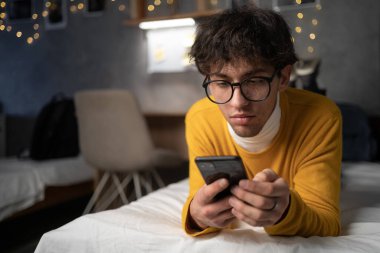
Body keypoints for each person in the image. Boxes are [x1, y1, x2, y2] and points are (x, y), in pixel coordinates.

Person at [181, 5, 342, 237]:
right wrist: (197, 216)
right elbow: (197, 201)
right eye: (222, 83)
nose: (238, 103)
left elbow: (326, 221)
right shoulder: (200, 118)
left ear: (284, 77)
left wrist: (286, 213)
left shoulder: (322, 117)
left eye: (254, 81)